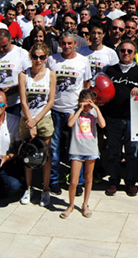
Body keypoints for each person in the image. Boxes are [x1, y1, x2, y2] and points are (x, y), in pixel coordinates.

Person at [103, 39, 138, 197]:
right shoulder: (110, 71)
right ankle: (114, 180)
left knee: (132, 153)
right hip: (113, 118)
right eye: (123, 51)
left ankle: (130, 182)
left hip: (132, 119)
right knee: (114, 152)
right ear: (118, 52)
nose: (126, 54)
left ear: (134, 53)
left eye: (129, 51)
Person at [46, 32, 92, 195]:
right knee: (54, 148)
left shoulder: (83, 61)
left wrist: (85, 108)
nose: (66, 46)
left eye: (69, 43)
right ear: (60, 44)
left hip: (75, 110)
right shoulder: (52, 60)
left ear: (75, 44)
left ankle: (77, 182)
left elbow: (86, 84)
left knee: (76, 149)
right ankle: (53, 180)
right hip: (55, 110)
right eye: (63, 43)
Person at [18, 43, 56, 207]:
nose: (38, 60)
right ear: (30, 57)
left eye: (42, 57)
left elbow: (51, 101)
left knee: (45, 156)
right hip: (27, 119)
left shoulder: (51, 75)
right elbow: (23, 101)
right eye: (35, 57)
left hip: (44, 119)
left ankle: (45, 189)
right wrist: (30, 122)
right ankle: (28, 188)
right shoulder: (23, 75)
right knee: (28, 154)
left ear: (46, 57)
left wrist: (37, 120)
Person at [60, 89, 106, 219]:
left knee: (88, 177)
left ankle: (85, 203)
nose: (87, 108)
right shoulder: (74, 112)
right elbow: (70, 124)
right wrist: (80, 110)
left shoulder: (94, 113)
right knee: (73, 181)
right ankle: (71, 204)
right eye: (84, 104)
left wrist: (96, 108)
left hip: (90, 149)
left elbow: (102, 125)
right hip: (76, 150)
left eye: (88, 105)